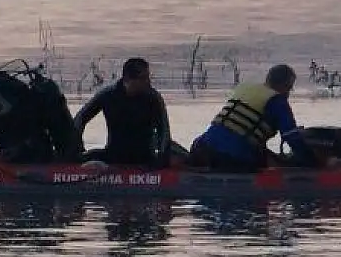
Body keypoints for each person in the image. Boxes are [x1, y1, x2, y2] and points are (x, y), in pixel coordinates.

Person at [188, 63, 323, 172]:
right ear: (284, 86)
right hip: (230, 157)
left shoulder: (245, 89)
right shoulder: (277, 101)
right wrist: (315, 164)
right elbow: (292, 138)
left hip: (202, 148)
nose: (288, 93)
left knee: (263, 154)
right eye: (289, 88)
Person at [73, 57, 175, 168]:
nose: (148, 82)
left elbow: (164, 131)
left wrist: (161, 157)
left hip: (144, 158)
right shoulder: (108, 95)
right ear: (129, 79)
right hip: (114, 155)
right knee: (82, 157)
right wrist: (76, 147)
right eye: (144, 78)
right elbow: (81, 118)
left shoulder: (153, 98)